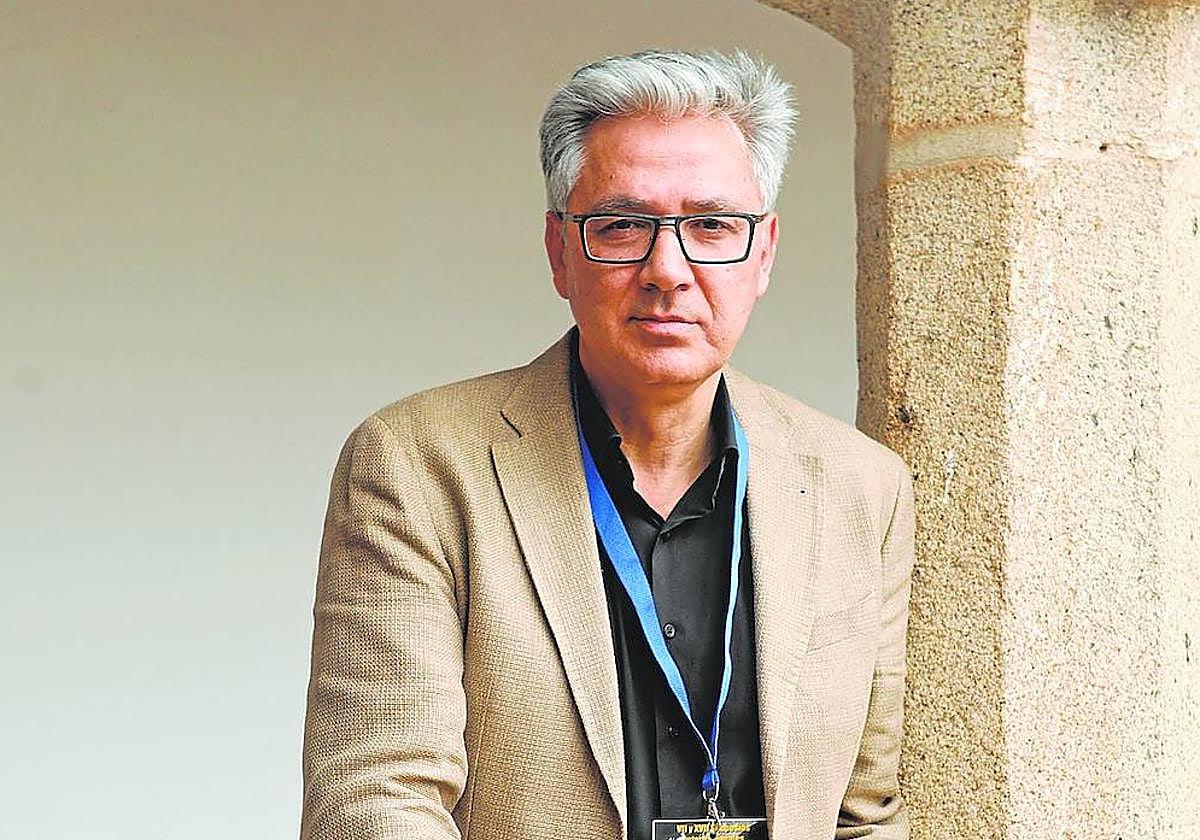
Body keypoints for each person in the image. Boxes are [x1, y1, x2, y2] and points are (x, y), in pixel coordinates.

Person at [300, 49, 915, 840]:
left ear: (763, 253)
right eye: (623, 225)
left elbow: (865, 815)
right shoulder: (417, 466)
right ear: (559, 251)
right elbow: (376, 801)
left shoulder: (860, 488)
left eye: (712, 225)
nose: (669, 270)